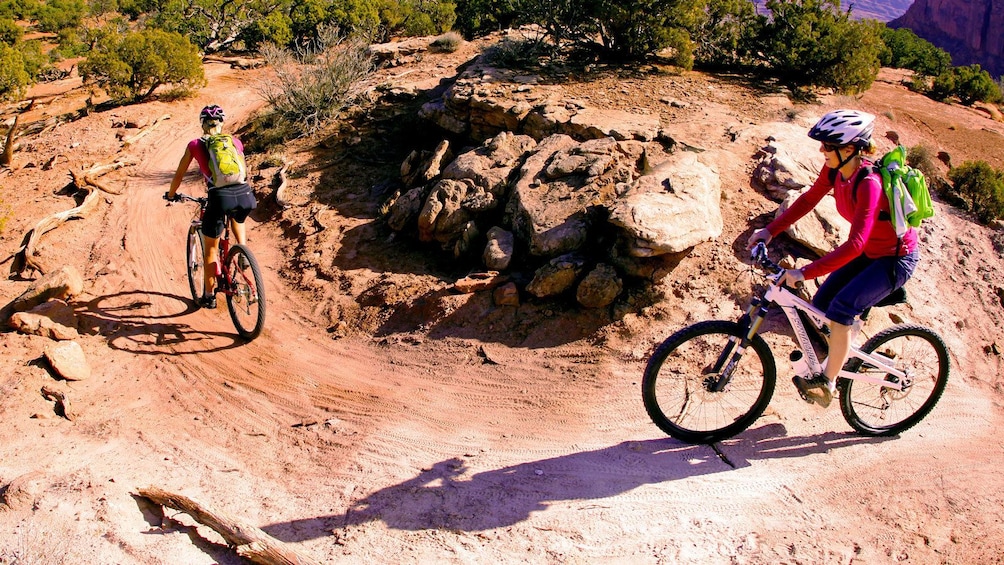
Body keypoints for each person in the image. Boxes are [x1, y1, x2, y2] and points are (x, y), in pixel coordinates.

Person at [747, 109, 920, 407]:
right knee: (821, 306)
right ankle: (848, 350)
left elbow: (855, 244)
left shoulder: (869, 184)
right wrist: (770, 231)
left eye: (828, 145)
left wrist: (804, 273)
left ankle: (828, 381)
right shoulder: (835, 171)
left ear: (850, 149)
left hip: (894, 260)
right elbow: (809, 199)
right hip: (870, 254)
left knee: (840, 310)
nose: (821, 150)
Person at [165, 104, 257, 310]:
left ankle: (209, 296)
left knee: (210, 250)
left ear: (202, 123)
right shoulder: (235, 142)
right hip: (244, 194)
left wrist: (171, 194)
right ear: (222, 123)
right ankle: (243, 251)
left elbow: (179, 175)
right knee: (237, 218)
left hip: (219, 197)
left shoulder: (195, 144)